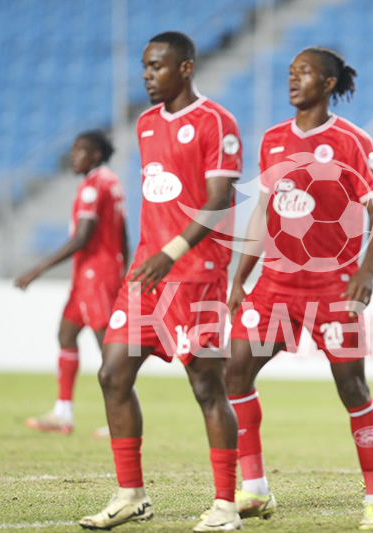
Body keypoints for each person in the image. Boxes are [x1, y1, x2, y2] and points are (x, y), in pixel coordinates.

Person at [79, 32, 242, 532]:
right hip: (148, 274)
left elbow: (218, 200)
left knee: (206, 387)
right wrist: (151, 256)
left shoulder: (216, 122)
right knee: (112, 374)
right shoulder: (146, 124)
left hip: (195, 275)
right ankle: (131, 494)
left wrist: (172, 253)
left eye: (157, 67)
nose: (147, 75)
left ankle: (225, 506)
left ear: (186, 68)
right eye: (145, 67)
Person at [225, 47, 373, 530]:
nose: (294, 79)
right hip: (275, 285)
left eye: (304, 73)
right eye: (291, 72)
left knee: (352, 388)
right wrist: (241, 275)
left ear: (327, 83)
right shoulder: (273, 139)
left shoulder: (350, 141)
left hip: (332, 288)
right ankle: (255, 489)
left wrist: (367, 271)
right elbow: (262, 213)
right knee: (234, 374)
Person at [16, 131, 127, 436]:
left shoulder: (95, 186)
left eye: (80, 150)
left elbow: (81, 237)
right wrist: (126, 265)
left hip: (97, 273)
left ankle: (121, 415)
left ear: (95, 155)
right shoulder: (111, 182)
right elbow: (123, 230)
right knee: (67, 333)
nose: (73, 155)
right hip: (92, 273)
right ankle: (63, 412)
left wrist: (36, 269)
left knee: (108, 345)